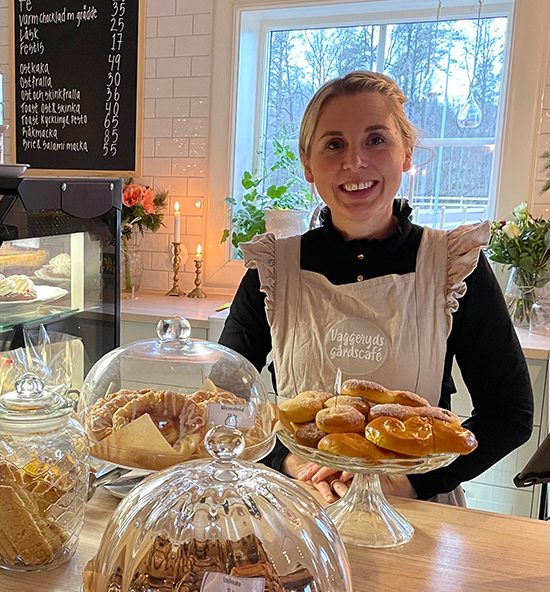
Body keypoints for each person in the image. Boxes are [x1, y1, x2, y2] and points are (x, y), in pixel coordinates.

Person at [219, 71, 533, 505]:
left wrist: (412, 482)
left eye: (376, 140)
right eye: (334, 144)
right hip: (300, 506)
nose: (354, 162)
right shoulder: (274, 270)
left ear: (406, 153)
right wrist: (287, 461)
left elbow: (509, 414)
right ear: (308, 165)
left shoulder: (452, 267)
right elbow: (224, 401)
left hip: (412, 510)